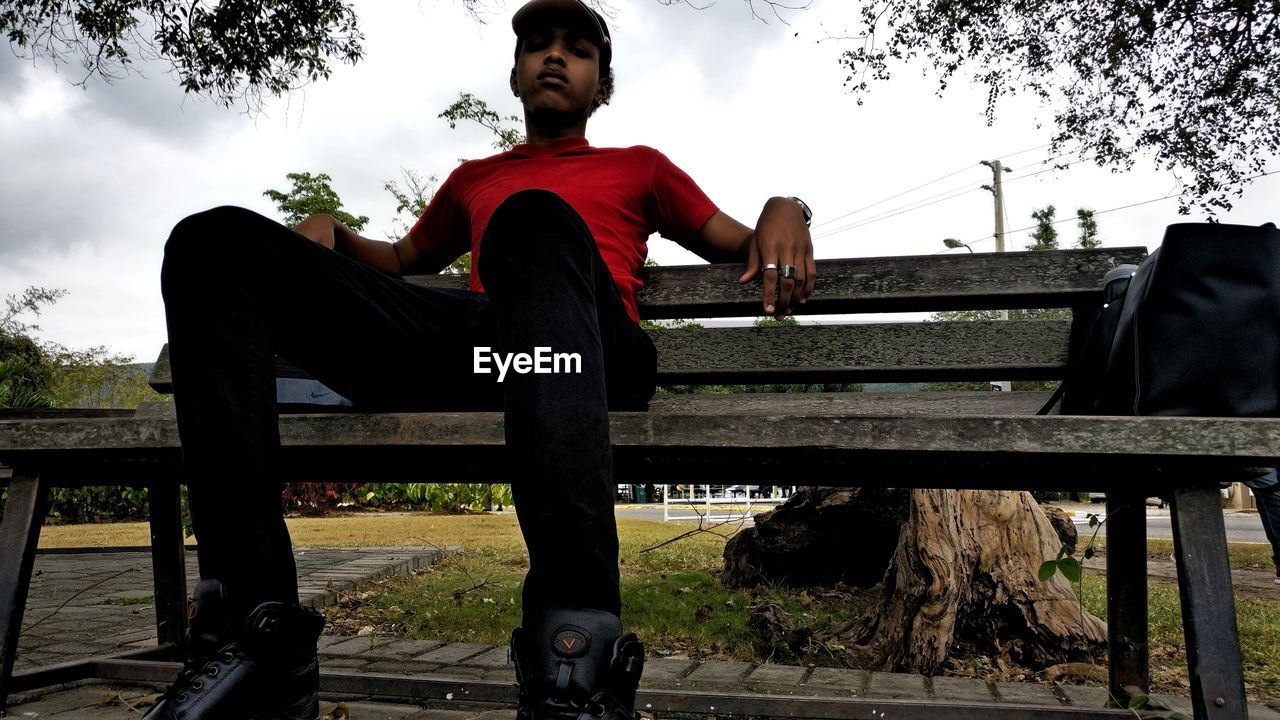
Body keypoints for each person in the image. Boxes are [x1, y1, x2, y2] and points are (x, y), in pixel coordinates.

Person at [152, 0, 815, 718]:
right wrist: (334, 233)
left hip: (587, 360)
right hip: (492, 363)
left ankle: (576, 657)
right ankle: (256, 642)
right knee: (212, 242)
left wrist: (788, 205)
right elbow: (403, 260)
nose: (553, 57)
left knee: (531, 220)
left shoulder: (641, 168)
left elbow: (740, 239)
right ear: (516, 74)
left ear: (602, 88)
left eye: (576, 50)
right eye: (536, 45)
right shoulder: (474, 178)